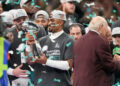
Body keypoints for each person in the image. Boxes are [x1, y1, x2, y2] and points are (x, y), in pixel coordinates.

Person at [27, 10, 74, 86]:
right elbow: (29, 61)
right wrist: (28, 44)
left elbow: (68, 65)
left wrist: (46, 61)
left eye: (52, 20)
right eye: (48, 20)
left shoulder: (69, 40)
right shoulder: (41, 40)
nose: (49, 23)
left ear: (61, 22)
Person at [73, 16, 120, 86]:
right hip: (95, 82)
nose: (107, 31)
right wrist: (117, 62)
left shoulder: (78, 42)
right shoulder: (100, 41)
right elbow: (109, 66)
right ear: (101, 26)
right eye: (106, 27)